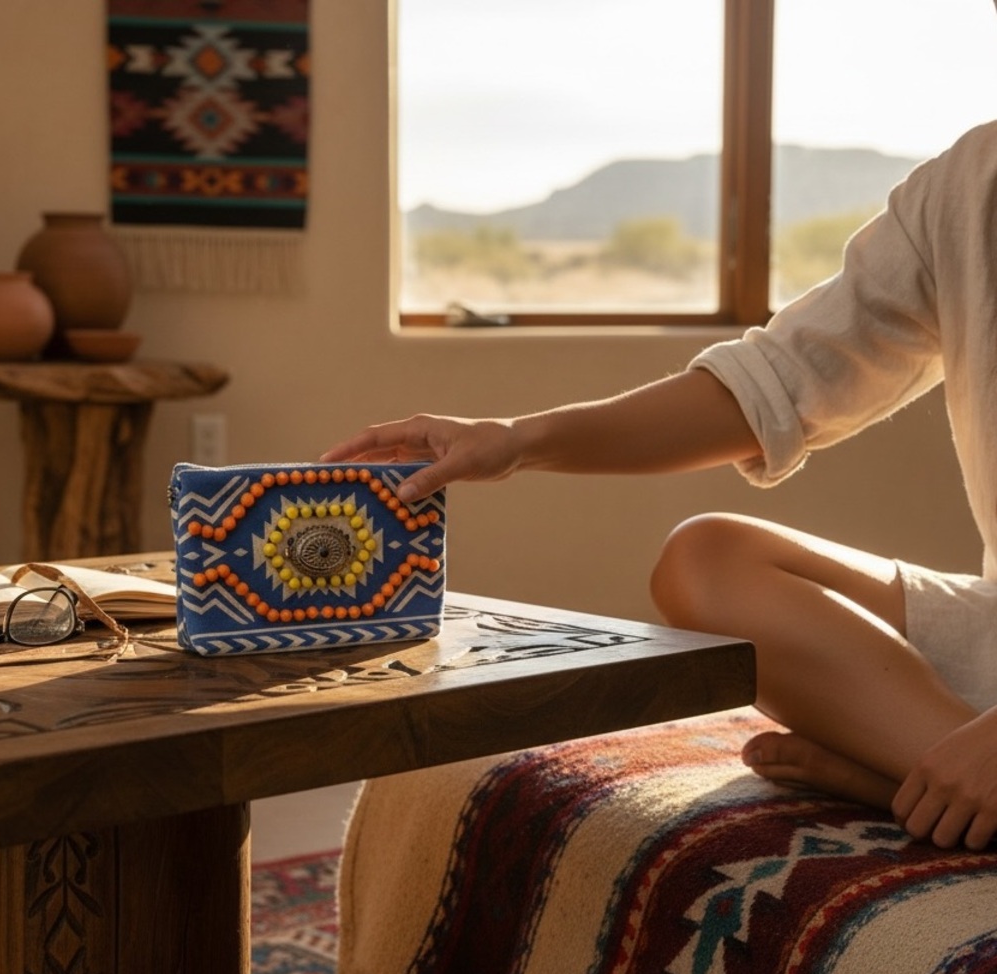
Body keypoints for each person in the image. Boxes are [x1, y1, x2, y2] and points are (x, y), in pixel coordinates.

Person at [323, 120, 997, 851]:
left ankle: (906, 777)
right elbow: (770, 384)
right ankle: (941, 767)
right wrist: (515, 440)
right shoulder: (970, 180)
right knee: (706, 559)